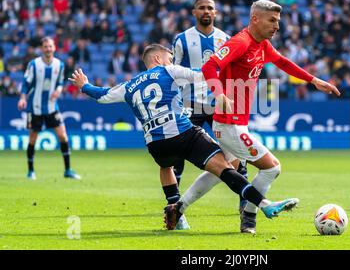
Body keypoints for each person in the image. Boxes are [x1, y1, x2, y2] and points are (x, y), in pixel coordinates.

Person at [69, 43, 299, 231]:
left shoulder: (128, 86)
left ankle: (175, 213)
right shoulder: (167, 70)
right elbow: (201, 75)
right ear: (158, 59)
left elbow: (101, 96)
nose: (172, 61)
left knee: (166, 167)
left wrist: (84, 84)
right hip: (183, 132)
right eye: (169, 58)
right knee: (226, 167)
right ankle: (265, 204)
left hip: (155, 143)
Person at [174, 0, 340, 234]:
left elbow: (282, 62)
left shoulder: (261, 45)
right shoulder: (241, 42)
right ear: (255, 19)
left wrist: (313, 80)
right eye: (272, 20)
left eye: (278, 21)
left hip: (236, 123)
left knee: (222, 170)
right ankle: (249, 217)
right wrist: (219, 93)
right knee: (272, 168)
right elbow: (210, 66)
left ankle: (178, 208)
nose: (277, 26)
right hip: (229, 123)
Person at [172, 0, 249, 222]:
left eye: (210, 8)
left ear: (215, 13)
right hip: (189, 105)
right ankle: (174, 206)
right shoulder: (182, 40)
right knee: (178, 155)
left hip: (217, 104)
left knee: (237, 153)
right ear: (194, 12)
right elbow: (173, 73)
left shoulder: (226, 39)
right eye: (202, 8)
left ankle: (245, 205)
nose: (206, 11)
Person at [17, 37, 81, 180]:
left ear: (54, 48)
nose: (48, 49)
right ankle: (31, 171)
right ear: (41, 48)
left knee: (63, 136)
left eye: (50, 46)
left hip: (52, 107)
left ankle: (68, 170)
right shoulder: (34, 65)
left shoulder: (60, 65)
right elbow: (26, 83)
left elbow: (60, 82)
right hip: (35, 107)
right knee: (33, 138)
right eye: (45, 46)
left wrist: (58, 90)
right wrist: (22, 98)